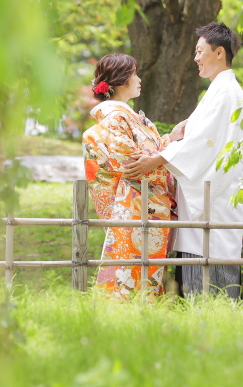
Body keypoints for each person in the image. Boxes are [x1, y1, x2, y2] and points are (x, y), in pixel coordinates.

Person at [123, 22, 243, 299]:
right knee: (195, 274)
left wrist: (156, 160)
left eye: (200, 51)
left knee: (210, 279)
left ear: (219, 52)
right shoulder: (219, 90)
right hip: (202, 194)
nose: (195, 58)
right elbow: (198, 138)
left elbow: (203, 142)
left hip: (213, 197)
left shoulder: (227, 91)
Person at [82, 53, 185, 300]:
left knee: (143, 270)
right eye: (135, 75)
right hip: (133, 204)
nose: (139, 80)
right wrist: (163, 154)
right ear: (121, 80)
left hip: (145, 203)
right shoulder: (115, 117)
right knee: (131, 273)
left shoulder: (126, 116)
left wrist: (170, 138)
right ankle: (126, 320)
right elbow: (133, 164)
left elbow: (147, 154)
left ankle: (140, 318)